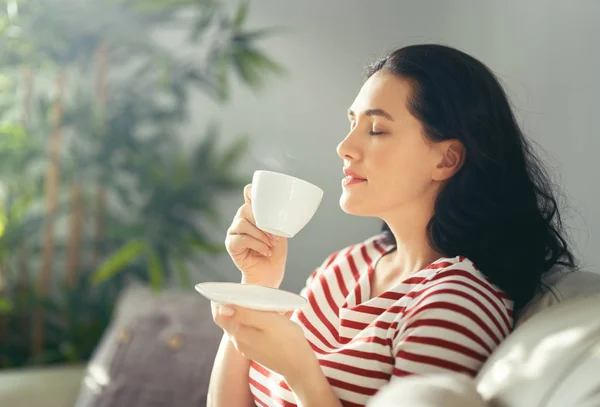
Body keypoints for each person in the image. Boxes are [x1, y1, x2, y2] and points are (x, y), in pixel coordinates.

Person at [206, 44, 576, 407]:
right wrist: (256, 285)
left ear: (446, 160)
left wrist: (302, 372)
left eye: (377, 129)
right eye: (352, 123)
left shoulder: (455, 304)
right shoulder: (344, 266)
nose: (344, 147)